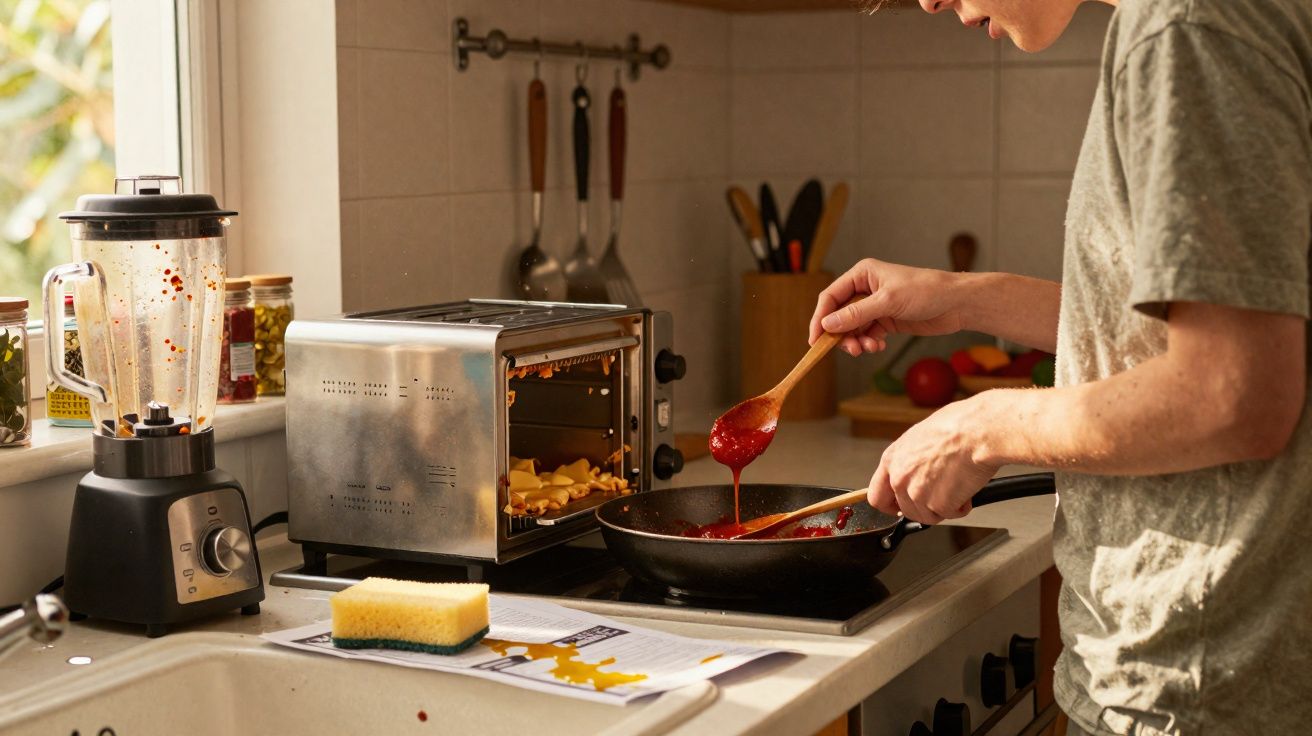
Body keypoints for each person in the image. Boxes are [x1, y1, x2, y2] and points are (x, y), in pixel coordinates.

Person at [815, 1, 1312, 734]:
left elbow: (1230, 395)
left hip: (1196, 681)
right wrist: (964, 298)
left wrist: (979, 426)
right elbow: (1194, 333)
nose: (925, 1)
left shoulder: (1186, 29)